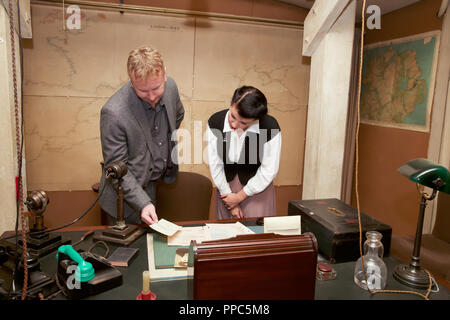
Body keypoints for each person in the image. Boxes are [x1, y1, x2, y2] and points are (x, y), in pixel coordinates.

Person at [99, 46, 184, 225]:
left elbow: (178, 114)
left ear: (164, 75)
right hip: (122, 198)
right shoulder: (113, 112)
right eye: (143, 92)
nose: (152, 96)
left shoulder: (171, 88)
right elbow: (117, 169)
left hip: (152, 184)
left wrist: (159, 143)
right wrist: (143, 203)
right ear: (131, 81)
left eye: (156, 88)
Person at [206, 86, 282, 219]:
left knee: (255, 235)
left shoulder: (269, 127)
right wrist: (231, 201)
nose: (234, 125)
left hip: (258, 189)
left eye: (243, 122)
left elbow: (268, 170)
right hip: (225, 189)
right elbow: (215, 164)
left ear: (255, 119)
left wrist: (240, 197)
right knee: (226, 234)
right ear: (231, 104)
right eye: (232, 116)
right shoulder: (215, 122)